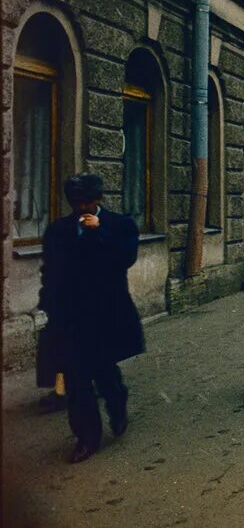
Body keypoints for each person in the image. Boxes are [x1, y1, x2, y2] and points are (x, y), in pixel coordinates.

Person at [39, 173, 144, 463]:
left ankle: (118, 403)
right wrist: (48, 303)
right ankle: (86, 438)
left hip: (106, 314)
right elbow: (50, 270)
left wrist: (99, 233)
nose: (82, 208)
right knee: (76, 379)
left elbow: (125, 259)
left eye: (87, 202)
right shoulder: (58, 231)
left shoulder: (121, 225)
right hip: (71, 317)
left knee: (104, 371)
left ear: (99, 199)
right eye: (76, 203)